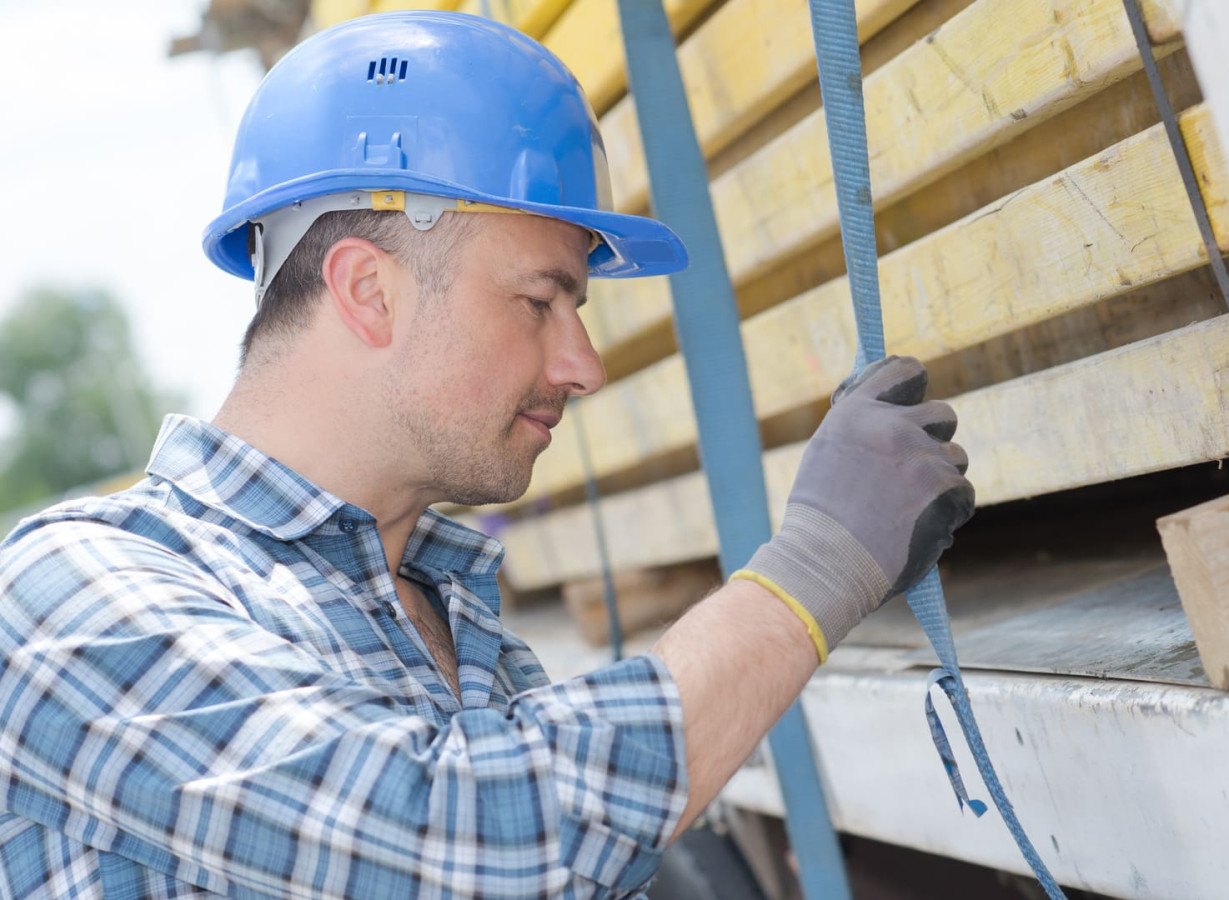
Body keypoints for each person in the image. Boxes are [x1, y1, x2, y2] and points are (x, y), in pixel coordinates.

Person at [0, 11, 973, 899]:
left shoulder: (472, 645)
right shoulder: (71, 595)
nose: (582, 365)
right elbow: (474, 843)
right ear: (368, 291)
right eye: (539, 301)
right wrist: (810, 570)